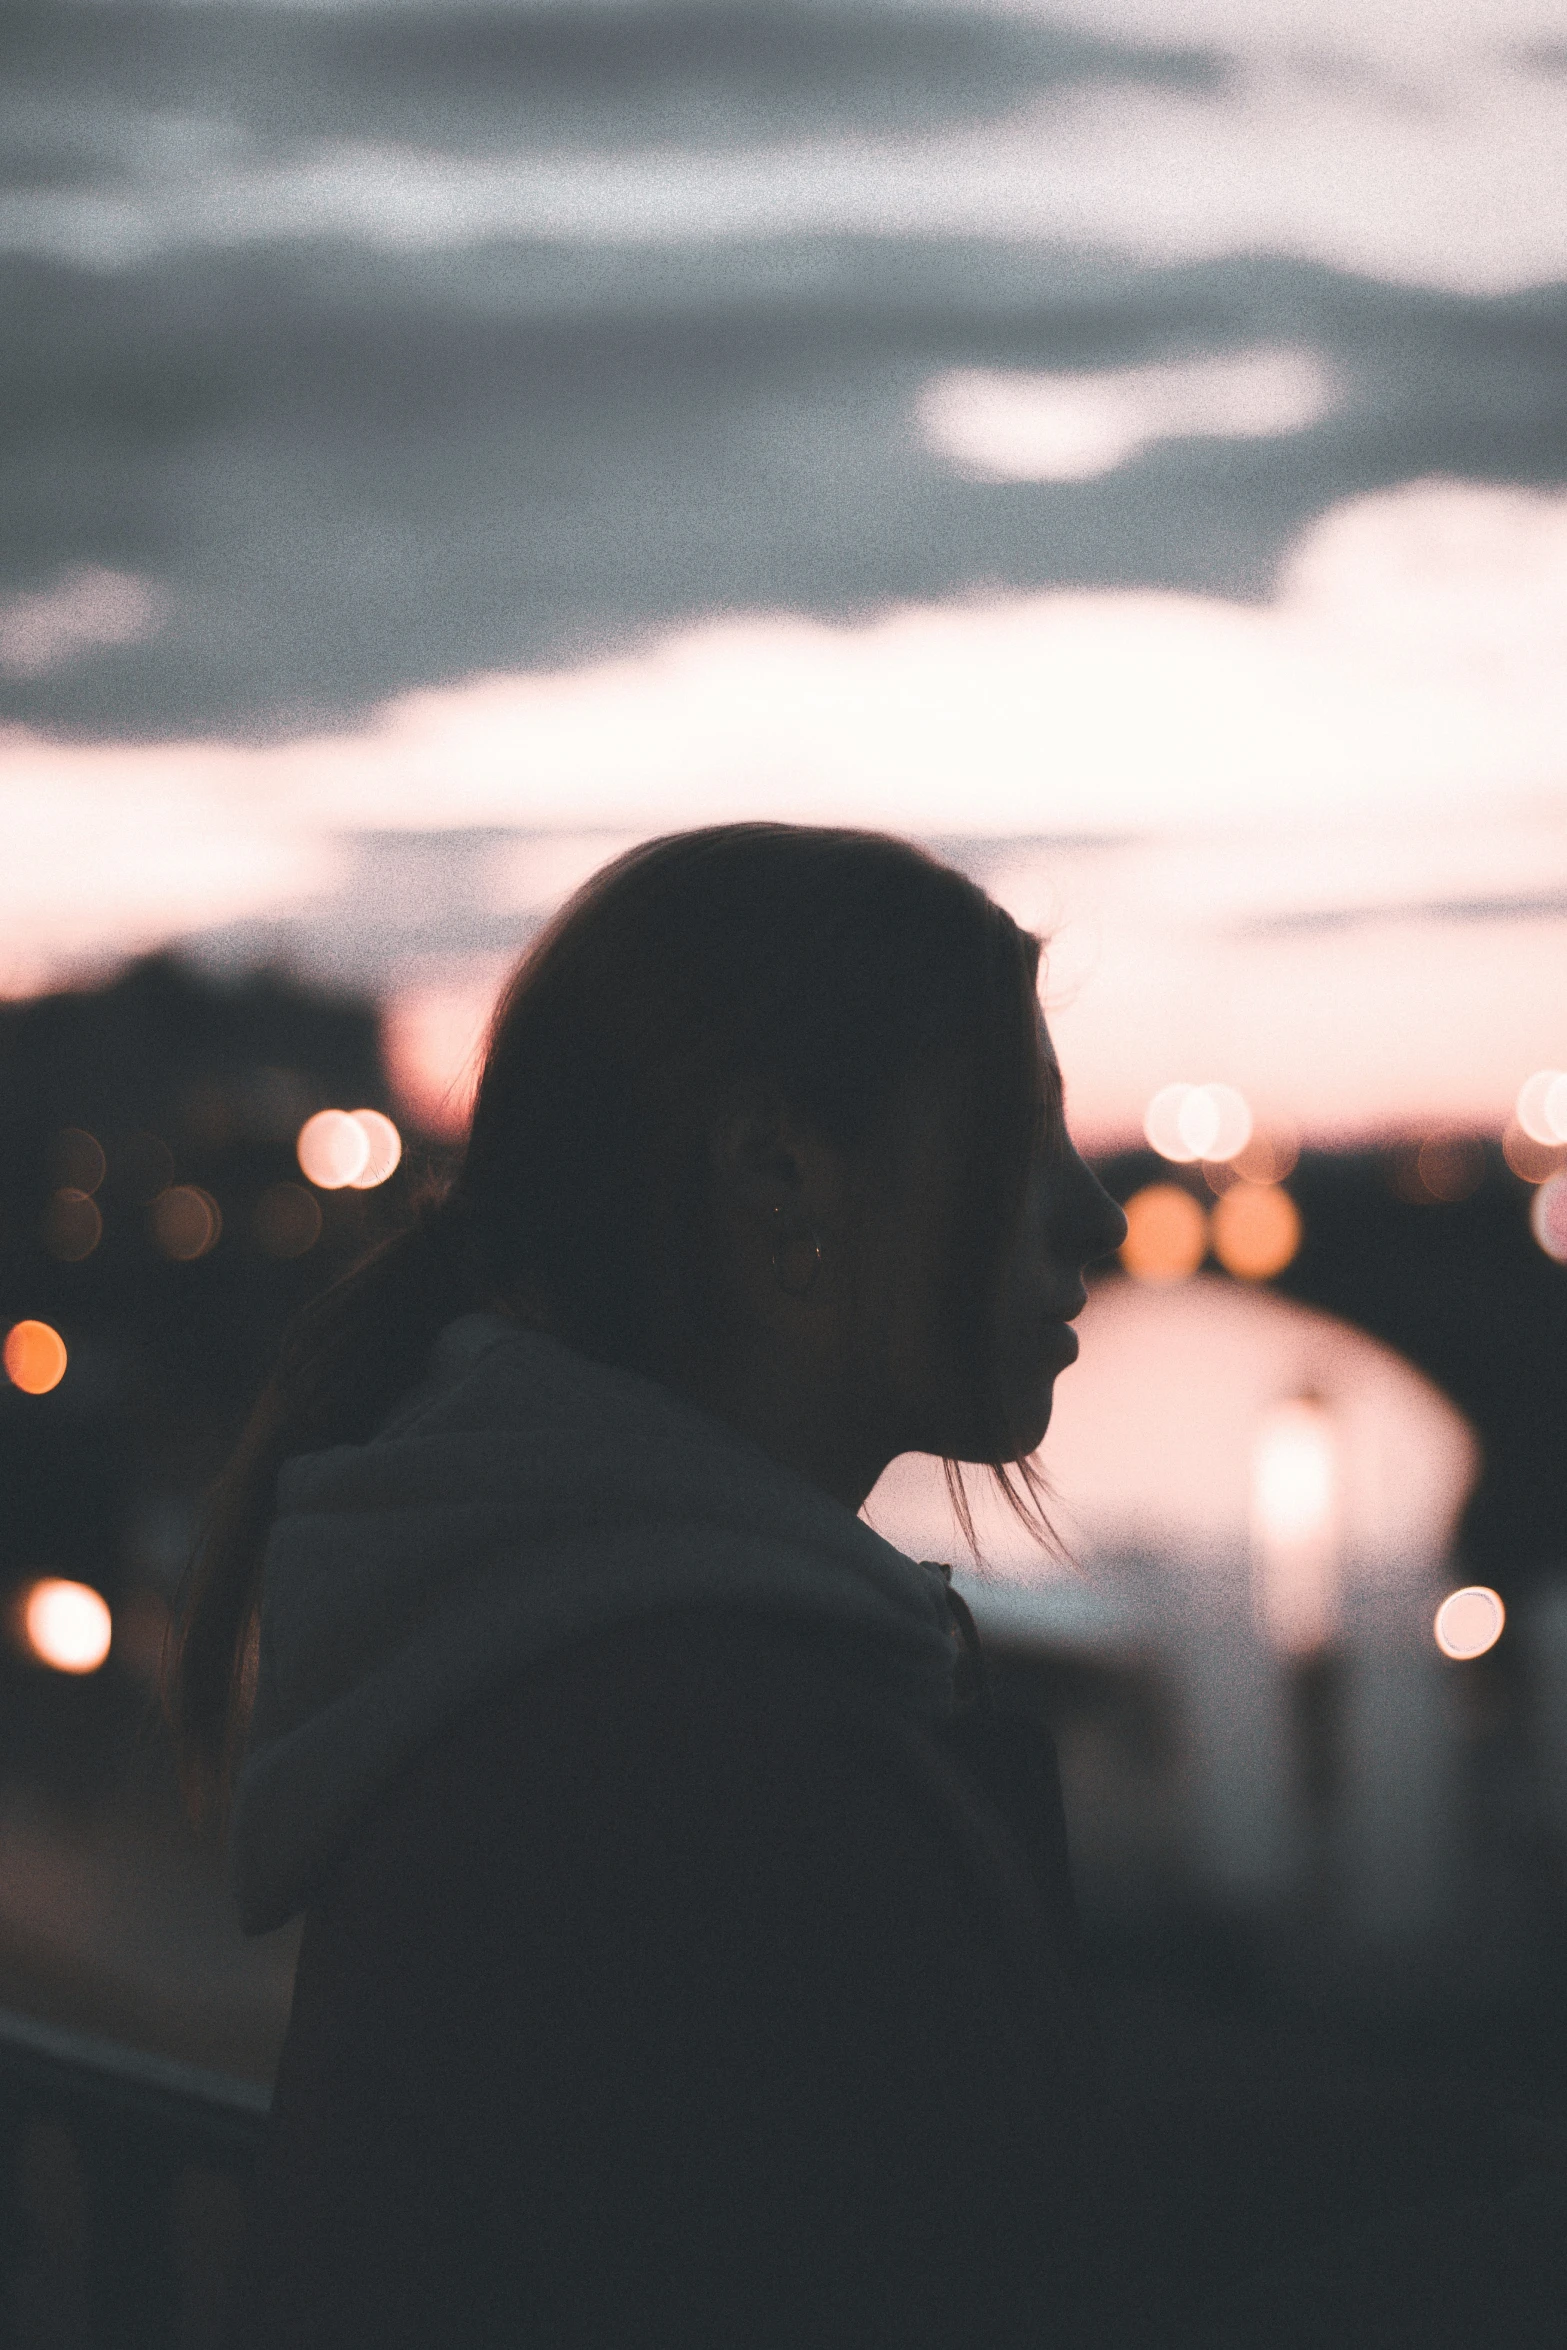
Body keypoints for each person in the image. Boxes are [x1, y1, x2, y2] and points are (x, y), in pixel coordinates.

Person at [168, 823, 1127, 2347]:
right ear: (777, 1174)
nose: (1096, 1211)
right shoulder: (731, 1778)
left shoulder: (556, 1661)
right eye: (1023, 1133)